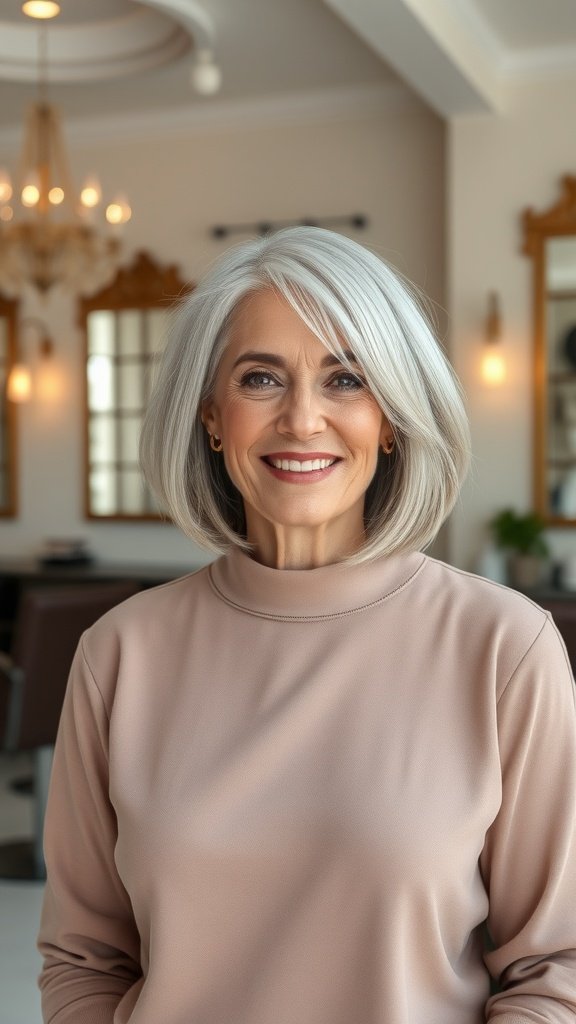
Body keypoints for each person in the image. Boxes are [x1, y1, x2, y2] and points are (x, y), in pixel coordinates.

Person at [38, 227, 576, 1024]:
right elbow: (83, 962)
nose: (302, 418)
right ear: (211, 415)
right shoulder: (119, 654)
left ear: (390, 419)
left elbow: (556, 967)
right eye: (261, 378)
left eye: (345, 379)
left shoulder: (505, 648)